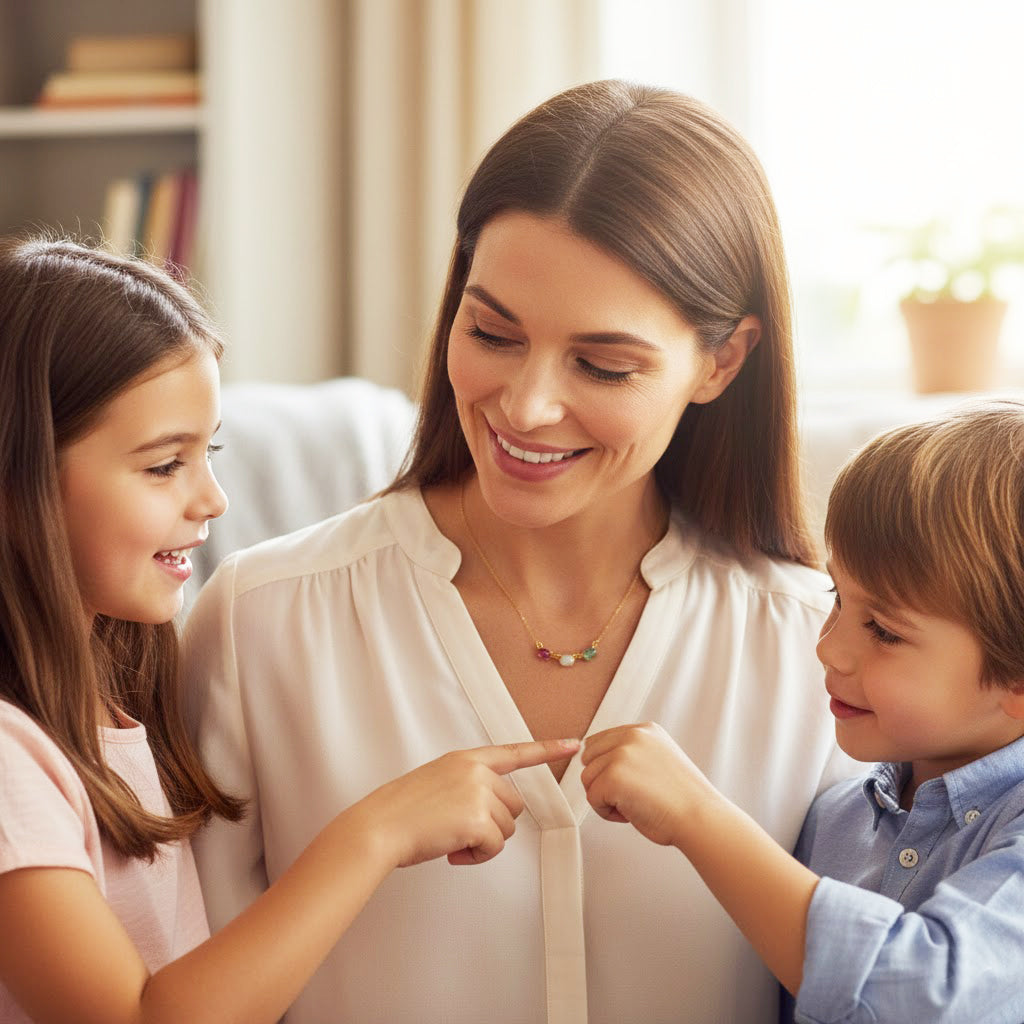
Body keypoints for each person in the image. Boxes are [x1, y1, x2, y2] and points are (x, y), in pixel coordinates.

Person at [184, 79, 854, 1024]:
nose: (527, 407)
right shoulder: (262, 622)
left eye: (603, 365)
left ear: (722, 361)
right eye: (492, 332)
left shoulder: (816, 650)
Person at [0, 236, 576, 1024]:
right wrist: (375, 833)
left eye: (209, 452)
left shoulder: (110, 710)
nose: (213, 499)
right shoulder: (9, 762)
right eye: (165, 465)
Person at [581, 401, 1024, 1023]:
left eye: (885, 631)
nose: (829, 648)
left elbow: (922, 998)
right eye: (838, 596)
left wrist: (697, 814)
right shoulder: (835, 819)